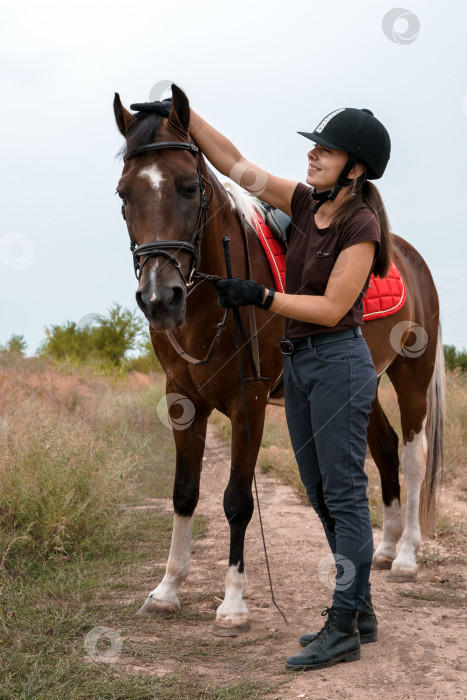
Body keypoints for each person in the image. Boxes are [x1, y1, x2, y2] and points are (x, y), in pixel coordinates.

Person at [188, 105, 392, 671]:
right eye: (313, 146)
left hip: (338, 363)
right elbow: (233, 163)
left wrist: (261, 296)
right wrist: (185, 113)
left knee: (345, 496)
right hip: (299, 367)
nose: (312, 154)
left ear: (355, 169)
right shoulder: (304, 202)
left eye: (325, 150)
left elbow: (331, 308)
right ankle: (362, 613)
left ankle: (344, 627)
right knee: (322, 495)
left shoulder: (361, 227)